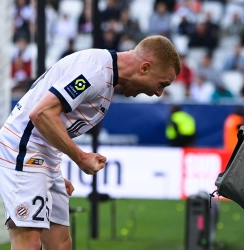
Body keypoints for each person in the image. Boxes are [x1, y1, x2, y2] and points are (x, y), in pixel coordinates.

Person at [0, 35, 181, 250]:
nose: (158, 93)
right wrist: (80, 157)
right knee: (28, 242)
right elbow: (41, 114)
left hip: (42, 154)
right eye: (161, 84)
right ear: (144, 68)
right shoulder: (94, 72)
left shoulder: (106, 77)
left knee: (61, 244)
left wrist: (50, 170)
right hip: (23, 150)